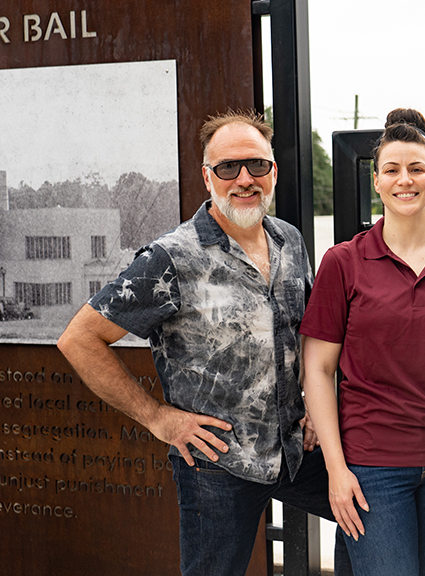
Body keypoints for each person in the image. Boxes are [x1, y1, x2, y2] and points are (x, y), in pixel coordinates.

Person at [57, 110, 351, 576]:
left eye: (256, 165)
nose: (244, 179)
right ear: (206, 176)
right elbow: (79, 338)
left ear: (273, 171)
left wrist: (316, 411)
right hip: (217, 465)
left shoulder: (289, 240)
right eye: (227, 167)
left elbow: (307, 339)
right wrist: (157, 418)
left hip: (296, 449)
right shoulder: (171, 257)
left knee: (365, 516)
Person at [300, 108, 425, 576]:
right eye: (391, 170)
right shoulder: (344, 262)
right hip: (372, 464)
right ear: (377, 181)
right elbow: (318, 370)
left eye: (414, 169)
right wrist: (336, 469)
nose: (403, 180)